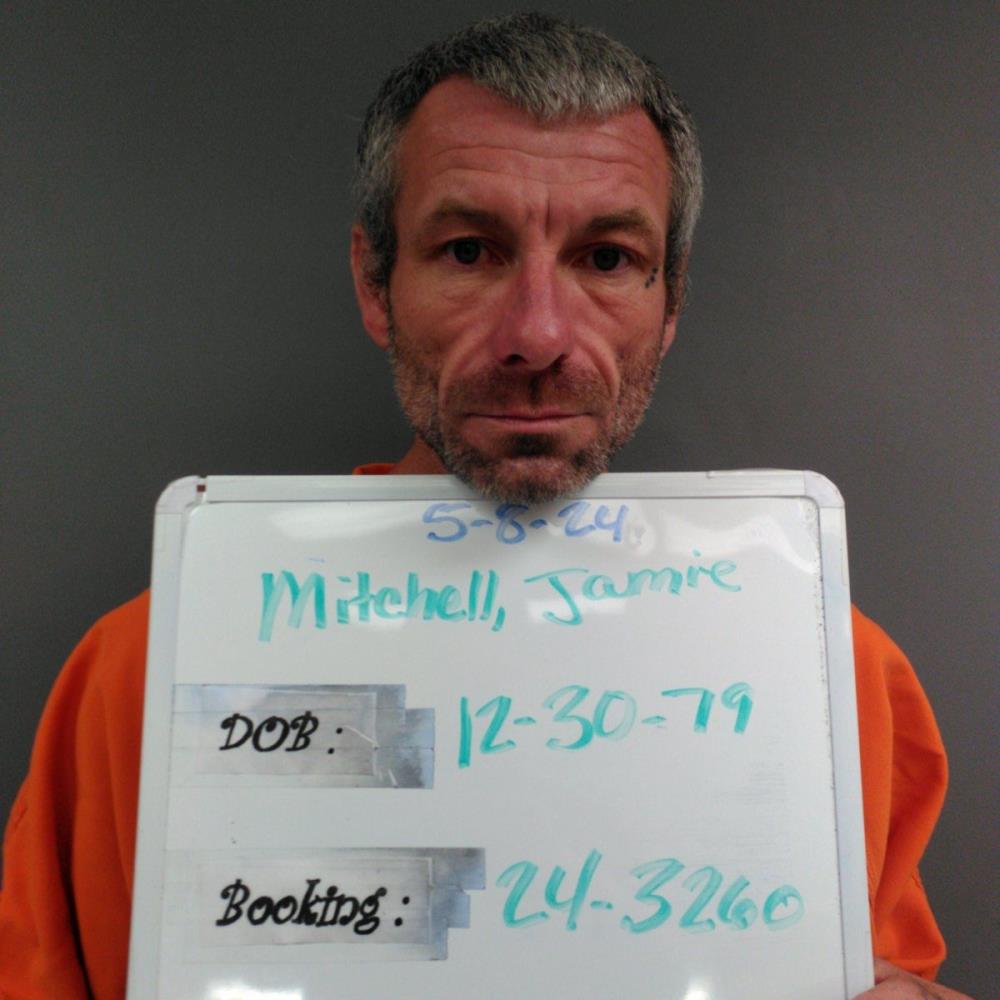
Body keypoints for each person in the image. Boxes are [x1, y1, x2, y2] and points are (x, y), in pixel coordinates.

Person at [0, 12, 973, 1000]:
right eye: (469, 251)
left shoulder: (831, 676)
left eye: (606, 259)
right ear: (374, 284)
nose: (538, 335)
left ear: (671, 301)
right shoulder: (145, 674)